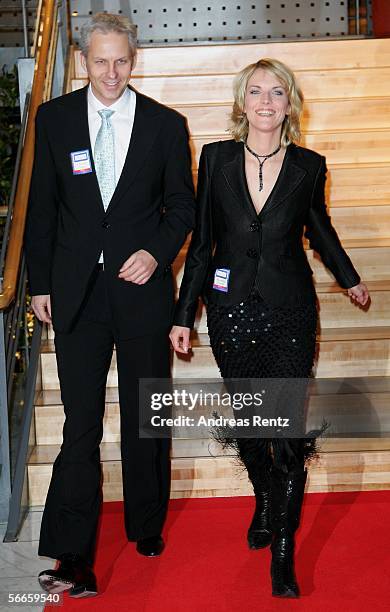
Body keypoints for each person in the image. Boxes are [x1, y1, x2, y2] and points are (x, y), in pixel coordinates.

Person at [170, 58, 369, 598]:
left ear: (289, 104)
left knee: (286, 434)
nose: (264, 102)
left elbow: (319, 230)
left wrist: (349, 278)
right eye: (255, 92)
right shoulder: (216, 159)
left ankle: (283, 551)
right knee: (254, 427)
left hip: (290, 314)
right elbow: (204, 244)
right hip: (231, 313)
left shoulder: (308, 165)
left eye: (275, 93)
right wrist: (183, 315)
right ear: (242, 102)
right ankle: (265, 497)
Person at [25, 13, 195, 597]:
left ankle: (146, 523)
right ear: (82, 61)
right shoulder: (54, 119)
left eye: (121, 60)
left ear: (134, 58)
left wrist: (156, 252)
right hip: (77, 293)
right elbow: (42, 209)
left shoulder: (166, 126)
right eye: (100, 60)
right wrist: (39, 283)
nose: (111, 72)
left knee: (147, 415)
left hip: (142, 291)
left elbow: (183, 209)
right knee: (80, 423)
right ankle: (73, 552)